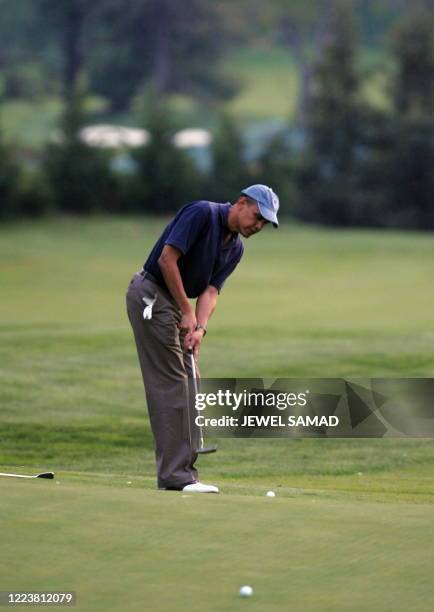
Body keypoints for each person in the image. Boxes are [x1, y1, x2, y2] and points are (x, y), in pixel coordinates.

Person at [126, 184, 279, 493]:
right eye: (257, 216)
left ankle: (184, 471)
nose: (258, 225)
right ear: (240, 203)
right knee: (174, 384)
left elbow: (211, 290)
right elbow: (167, 260)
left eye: (264, 222)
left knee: (193, 381)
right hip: (151, 297)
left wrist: (200, 328)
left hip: (176, 304)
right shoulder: (202, 213)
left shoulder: (235, 247)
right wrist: (186, 310)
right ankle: (176, 476)